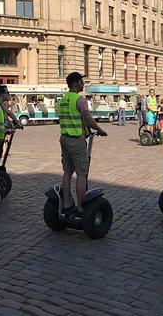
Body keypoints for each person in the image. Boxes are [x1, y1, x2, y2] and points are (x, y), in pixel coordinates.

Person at [58, 72, 107, 221]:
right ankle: (80, 208)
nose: (83, 84)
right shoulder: (80, 100)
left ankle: (66, 205)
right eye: (81, 81)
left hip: (64, 138)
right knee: (81, 174)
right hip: (76, 141)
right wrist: (100, 130)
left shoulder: (61, 101)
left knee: (67, 172)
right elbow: (89, 120)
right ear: (74, 83)